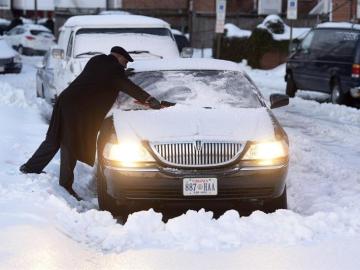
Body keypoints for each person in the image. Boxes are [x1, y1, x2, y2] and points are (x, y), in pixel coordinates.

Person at [19, 46, 161, 200]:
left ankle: (30, 167)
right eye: (125, 62)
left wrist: (121, 77)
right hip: (76, 110)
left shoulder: (96, 60)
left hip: (65, 100)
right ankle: (65, 186)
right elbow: (129, 87)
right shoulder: (115, 70)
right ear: (118, 57)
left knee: (54, 138)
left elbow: (102, 79)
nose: (125, 65)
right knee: (70, 144)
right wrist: (149, 99)